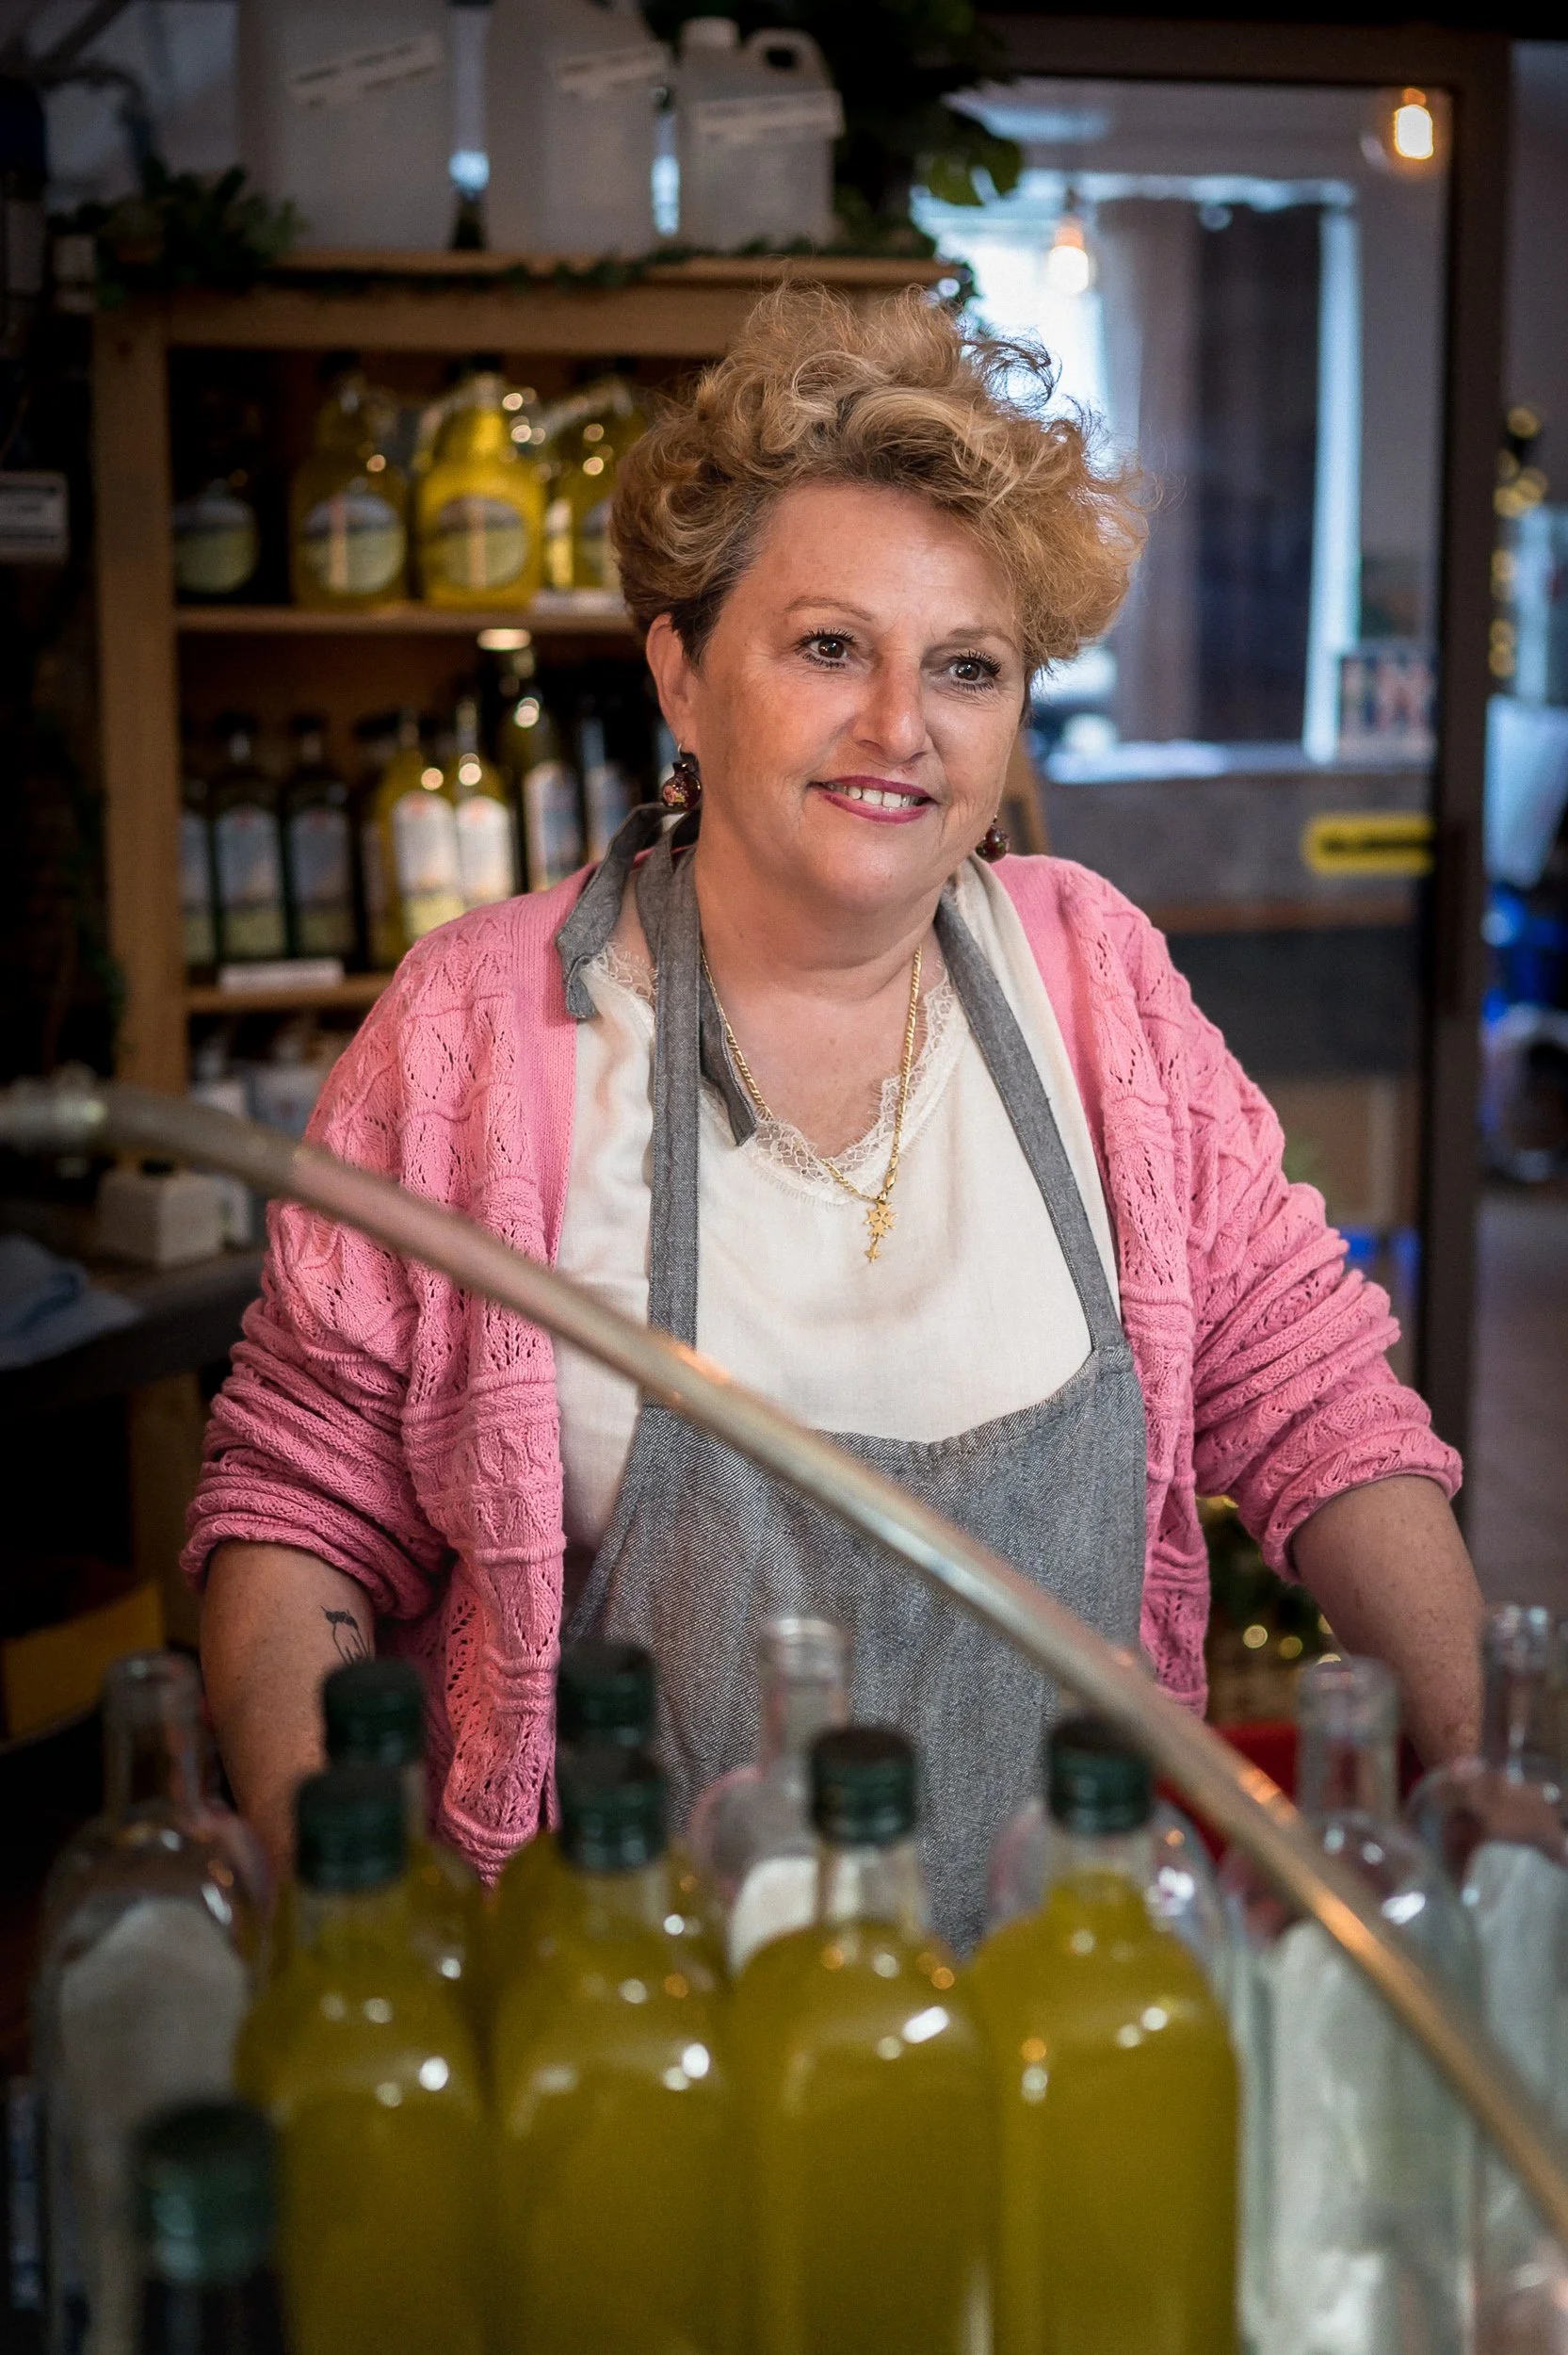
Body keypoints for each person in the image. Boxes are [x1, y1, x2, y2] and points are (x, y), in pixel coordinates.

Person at [189, 287, 1476, 1948]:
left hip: (1065, 1998)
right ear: (681, 673)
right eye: (826, 647)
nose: (899, 728)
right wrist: (343, 1901)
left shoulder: (1097, 988)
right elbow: (300, 1509)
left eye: (967, 668)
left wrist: (1490, 1769)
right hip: (638, 2029)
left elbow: (1319, 1402)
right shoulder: (479, 1035)